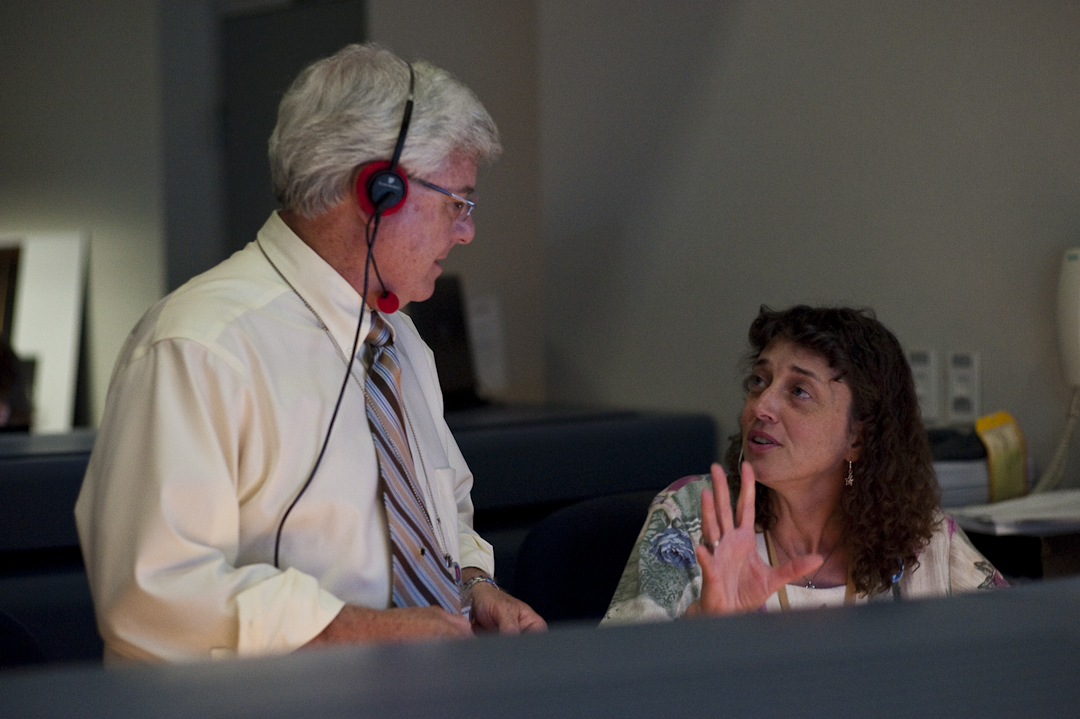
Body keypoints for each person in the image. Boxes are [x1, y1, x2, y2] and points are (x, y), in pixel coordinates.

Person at [76, 44, 545, 662]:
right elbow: (151, 594)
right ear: (378, 191)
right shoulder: (199, 348)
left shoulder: (398, 339)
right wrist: (345, 631)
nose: (466, 230)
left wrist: (472, 583)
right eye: (457, 201)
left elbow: (444, 514)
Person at [603, 305, 1006, 623]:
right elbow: (614, 688)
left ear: (858, 437)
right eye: (759, 382)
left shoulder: (923, 542)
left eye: (799, 391)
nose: (761, 406)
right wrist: (702, 631)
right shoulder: (693, 517)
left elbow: (1020, 659)